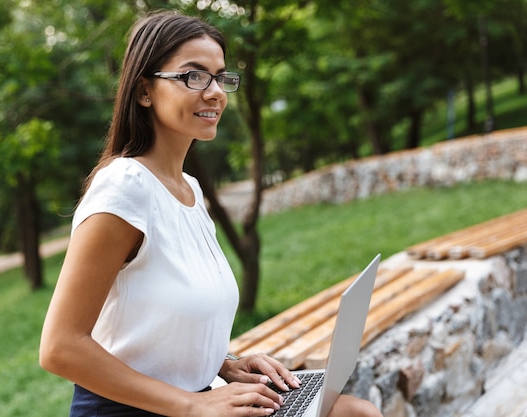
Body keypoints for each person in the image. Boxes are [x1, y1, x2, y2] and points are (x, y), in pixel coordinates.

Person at [39, 10, 383, 417]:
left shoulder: (190, 191)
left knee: (356, 413)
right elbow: (60, 347)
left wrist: (227, 365)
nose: (216, 91)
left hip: (200, 400)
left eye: (221, 77)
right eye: (193, 76)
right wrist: (191, 404)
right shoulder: (125, 187)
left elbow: (158, 321)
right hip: (139, 410)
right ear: (144, 91)